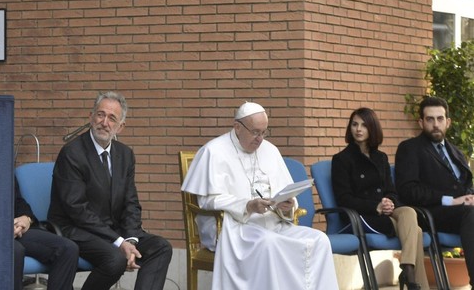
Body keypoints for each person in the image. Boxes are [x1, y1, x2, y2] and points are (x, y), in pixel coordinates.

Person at [181, 101, 338, 289]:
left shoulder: (270, 150)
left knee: (320, 240)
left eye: (264, 132)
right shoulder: (213, 151)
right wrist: (247, 206)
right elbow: (207, 200)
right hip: (235, 228)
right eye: (255, 132)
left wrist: (286, 205)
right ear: (237, 127)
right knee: (269, 243)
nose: (260, 139)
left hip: (274, 223)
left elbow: (285, 190)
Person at [48, 91, 172, 290]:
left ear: (120, 127)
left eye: (112, 118)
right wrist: (119, 242)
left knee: (161, 247)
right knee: (115, 259)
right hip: (76, 229)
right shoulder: (72, 153)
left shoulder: (125, 155)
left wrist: (130, 239)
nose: (104, 122)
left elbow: (131, 202)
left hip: (113, 231)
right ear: (91, 117)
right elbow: (77, 209)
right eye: (100, 115)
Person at [332, 108, 428, 290]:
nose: (358, 129)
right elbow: (344, 199)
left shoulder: (381, 157)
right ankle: (411, 275)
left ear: (372, 128)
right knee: (415, 231)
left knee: (408, 211)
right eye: (354, 124)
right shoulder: (342, 159)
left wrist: (389, 201)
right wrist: (375, 206)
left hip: (385, 211)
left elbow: (391, 190)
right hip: (362, 216)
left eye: (364, 125)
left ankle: (408, 270)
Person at [395, 96, 474, 288]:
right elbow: (408, 190)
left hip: (462, 213)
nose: (436, 124)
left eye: (440, 119)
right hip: (431, 213)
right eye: (430, 119)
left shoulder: (456, 152)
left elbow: (465, 185)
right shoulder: (409, 149)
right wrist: (450, 200)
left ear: (448, 122)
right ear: (421, 122)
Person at [13, 178, 78, 290]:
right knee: (14, 251)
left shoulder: (3, 169)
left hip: (16, 228)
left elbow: (18, 200)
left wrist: (26, 218)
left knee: (68, 248)